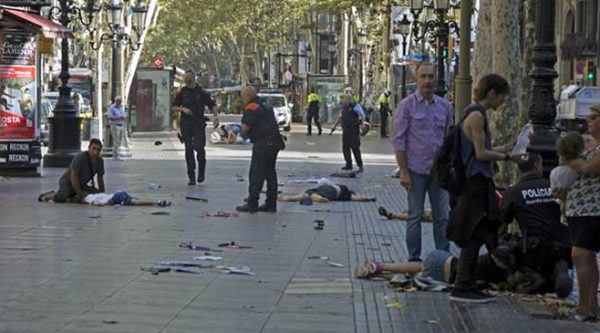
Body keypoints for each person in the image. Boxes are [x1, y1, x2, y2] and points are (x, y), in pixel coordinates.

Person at [447, 74, 514, 303]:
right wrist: (507, 156)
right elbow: (481, 154)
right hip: (475, 184)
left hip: (478, 182)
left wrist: (507, 147)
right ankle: (462, 285)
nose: (504, 101)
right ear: (493, 93)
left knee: (481, 233)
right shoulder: (476, 116)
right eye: (503, 96)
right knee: (474, 235)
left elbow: (484, 148)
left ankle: (468, 281)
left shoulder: (474, 112)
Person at [392, 63, 454, 263]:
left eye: (430, 77)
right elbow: (399, 140)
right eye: (423, 77)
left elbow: (449, 139)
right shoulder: (406, 106)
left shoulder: (445, 106)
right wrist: (403, 171)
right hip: (415, 170)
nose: (427, 81)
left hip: (439, 173)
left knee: (442, 216)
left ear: (435, 79)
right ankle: (414, 259)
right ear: (416, 79)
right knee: (414, 215)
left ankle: (442, 257)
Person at [499, 152, 573, 298]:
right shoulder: (554, 186)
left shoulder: (513, 192)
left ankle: (532, 276)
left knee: (505, 245)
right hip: (563, 246)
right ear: (537, 165)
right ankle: (559, 268)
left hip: (535, 250)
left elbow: (499, 224)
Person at [555, 104, 600, 321]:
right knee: (587, 257)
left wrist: (566, 157)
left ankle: (583, 308)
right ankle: (592, 306)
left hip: (593, 209)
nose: (588, 120)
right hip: (576, 208)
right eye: (588, 117)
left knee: (579, 255)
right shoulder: (588, 145)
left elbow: (588, 169)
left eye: (594, 117)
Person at [235, 86, 284, 213]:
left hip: (262, 143)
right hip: (275, 142)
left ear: (248, 96)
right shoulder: (266, 104)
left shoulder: (251, 107)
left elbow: (245, 127)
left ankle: (252, 203)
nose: (242, 99)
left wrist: (237, 133)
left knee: (256, 173)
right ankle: (271, 204)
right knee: (270, 173)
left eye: (242, 96)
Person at [172, 70, 216, 185]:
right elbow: (174, 106)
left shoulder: (201, 91)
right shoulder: (182, 92)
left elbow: (211, 105)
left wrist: (216, 117)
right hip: (186, 124)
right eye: (185, 78)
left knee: (199, 148)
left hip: (198, 123)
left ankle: (201, 171)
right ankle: (191, 175)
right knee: (189, 149)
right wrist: (183, 109)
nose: (186, 80)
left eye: (188, 78)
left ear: (193, 78)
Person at [38, 138, 105, 203]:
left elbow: (100, 179)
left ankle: (72, 197)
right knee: (61, 198)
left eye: (98, 150)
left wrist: (103, 195)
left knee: (96, 194)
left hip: (82, 185)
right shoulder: (80, 157)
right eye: (93, 149)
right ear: (89, 148)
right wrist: (79, 193)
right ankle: (49, 195)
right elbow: (74, 175)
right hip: (68, 183)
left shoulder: (100, 161)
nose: (95, 152)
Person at [331, 93, 367, 172]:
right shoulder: (344, 107)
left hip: (354, 130)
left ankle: (360, 165)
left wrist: (363, 124)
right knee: (345, 148)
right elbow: (340, 117)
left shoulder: (355, 106)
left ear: (349, 99)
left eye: (345, 99)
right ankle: (348, 164)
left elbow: (362, 115)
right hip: (346, 130)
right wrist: (334, 126)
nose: (343, 100)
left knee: (355, 148)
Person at [39, 190, 171, 207]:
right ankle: (156, 201)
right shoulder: (91, 194)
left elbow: (97, 204)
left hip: (116, 197)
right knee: (137, 199)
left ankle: (157, 202)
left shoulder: (88, 198)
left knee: (136, 202)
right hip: (117, 194)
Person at [278, 183, 376, 203]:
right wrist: (370, 198)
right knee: (323, 199)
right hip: (332, 192)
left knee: (305, 194)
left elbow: (359, 198)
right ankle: (315, 197)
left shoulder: (345, 191)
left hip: (323, 187)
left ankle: (288, 198)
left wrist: (369, 198)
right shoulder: (347, 195)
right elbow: (359, 198)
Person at [107, 96, 126, 161]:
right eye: (118, 101)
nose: (119, 102)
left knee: (119, 141)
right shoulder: (112, 108)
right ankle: (115, 155)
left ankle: (117, 153)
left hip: (121, 125)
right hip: (115, 125)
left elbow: (123, 115)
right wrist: (119, 117)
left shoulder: (121, 108)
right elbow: (110, 117)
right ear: (115, 101)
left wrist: (123, 117)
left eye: (120, 101)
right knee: (116, 141)